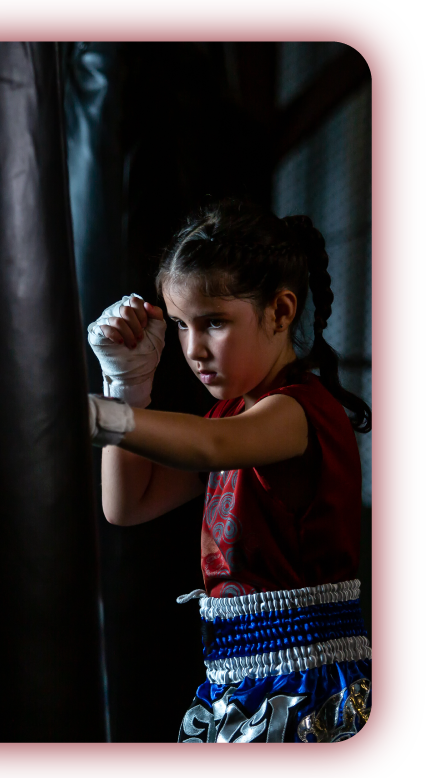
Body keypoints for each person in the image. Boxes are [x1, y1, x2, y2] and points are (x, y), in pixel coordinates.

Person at [87, 198, 372, 743]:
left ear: (281, 312)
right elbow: (127, 505)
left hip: (310, 689)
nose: (193, 349)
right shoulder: (229, 417)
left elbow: (211, 447)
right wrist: (126, 386)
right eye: (180, 325)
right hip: (236, 685)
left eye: (213, 322)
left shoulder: (297, 412)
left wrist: (99, 416)